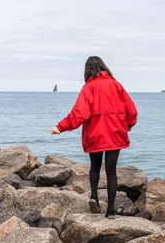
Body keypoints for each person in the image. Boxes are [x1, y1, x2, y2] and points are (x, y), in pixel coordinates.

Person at [50, 56, 137, 219]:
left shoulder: (89, 88)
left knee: (95, 167)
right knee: (111, 172)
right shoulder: (117, 85)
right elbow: (131, 110)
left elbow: (79, 114)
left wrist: (60, 127)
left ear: (87, 70)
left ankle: (94, 196)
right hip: (115, 134)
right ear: (104, 67)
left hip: (96, 134)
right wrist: (129, 125)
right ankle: (110, 211)